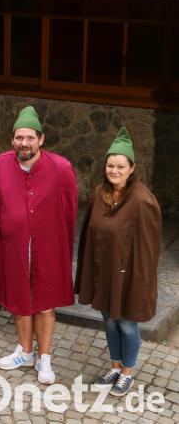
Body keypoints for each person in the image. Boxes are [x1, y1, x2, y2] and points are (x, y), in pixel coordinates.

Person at [0, 106, 78, 385]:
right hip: (14, 247)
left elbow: (70, 210)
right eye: (19, 138)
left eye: (29, 138)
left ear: (41, 139)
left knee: (45, 304)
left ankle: (44, 356)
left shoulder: (61, 168)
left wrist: (62, 246)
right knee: (19, 302)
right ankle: (25, 352)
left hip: (47, 248)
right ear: (12, 139)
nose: (24, 143)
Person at [75, 127, 162, 396]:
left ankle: (127, 373)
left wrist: (140, 282)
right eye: (110, 165)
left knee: (126, 323)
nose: (114, 171)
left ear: (132, 168)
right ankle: (114, 366)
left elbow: (148, 250)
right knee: (109, 321)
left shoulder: (143, 201)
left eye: (120, 166)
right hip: (104, 272)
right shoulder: (99, 194)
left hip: (128, 275)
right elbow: (89, 234)